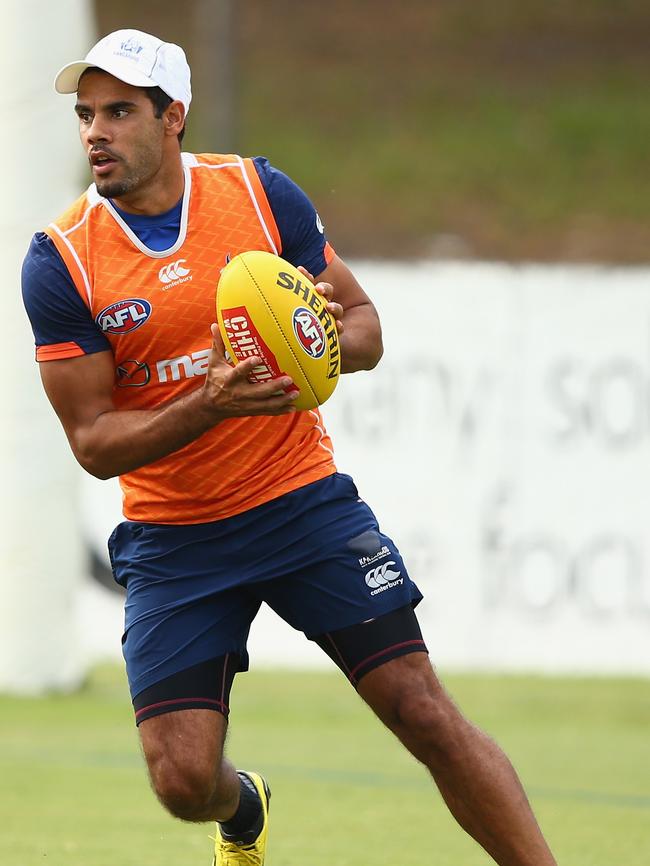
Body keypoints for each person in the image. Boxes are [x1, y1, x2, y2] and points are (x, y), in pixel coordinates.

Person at [21, 28, 558, 866]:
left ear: (174, 118)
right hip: (175, 539)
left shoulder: (258, 193)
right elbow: (94, 442)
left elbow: (366, 326)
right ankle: (246, 808)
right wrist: (211, 401)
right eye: (86, 114)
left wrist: (309, 339)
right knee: (181, 783)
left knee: (422, 710)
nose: (95, 131)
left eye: (120, 112)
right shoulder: (61, 262)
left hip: (299, 502)